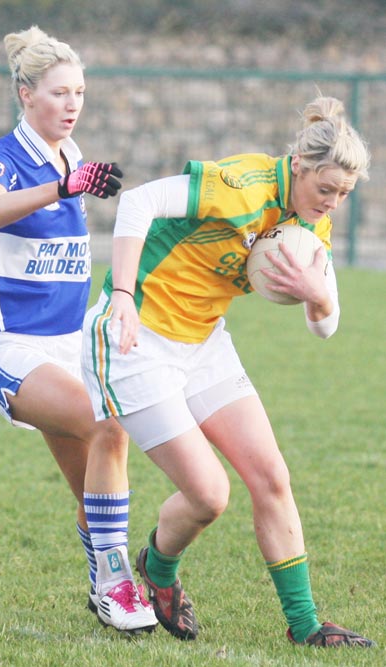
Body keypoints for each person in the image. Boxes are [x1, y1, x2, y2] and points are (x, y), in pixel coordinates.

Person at [81, 94, 375, 646]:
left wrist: (318, 297)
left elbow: (325, 327)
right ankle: (158, 569)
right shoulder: (241, 184)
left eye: (344, 195)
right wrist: (121, 292)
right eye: (326, 189)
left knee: (272, 477)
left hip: (204, 345)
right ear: (299, 167)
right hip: (136, 340)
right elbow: (137, 203)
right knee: (210, 496)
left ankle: (307, 625)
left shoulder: (312, 223)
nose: (333, 203)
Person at [0, 25, 157, 634]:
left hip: (67, 348)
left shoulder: (71, 156)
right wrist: (62, 186)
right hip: (5, 348)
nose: (72, 105)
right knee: (109, 427)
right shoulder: (3, 159)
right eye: (59, 93)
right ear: (25, 95)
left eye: (80, 93)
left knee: (93, 489)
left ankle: (108, 576)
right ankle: (118, 582)